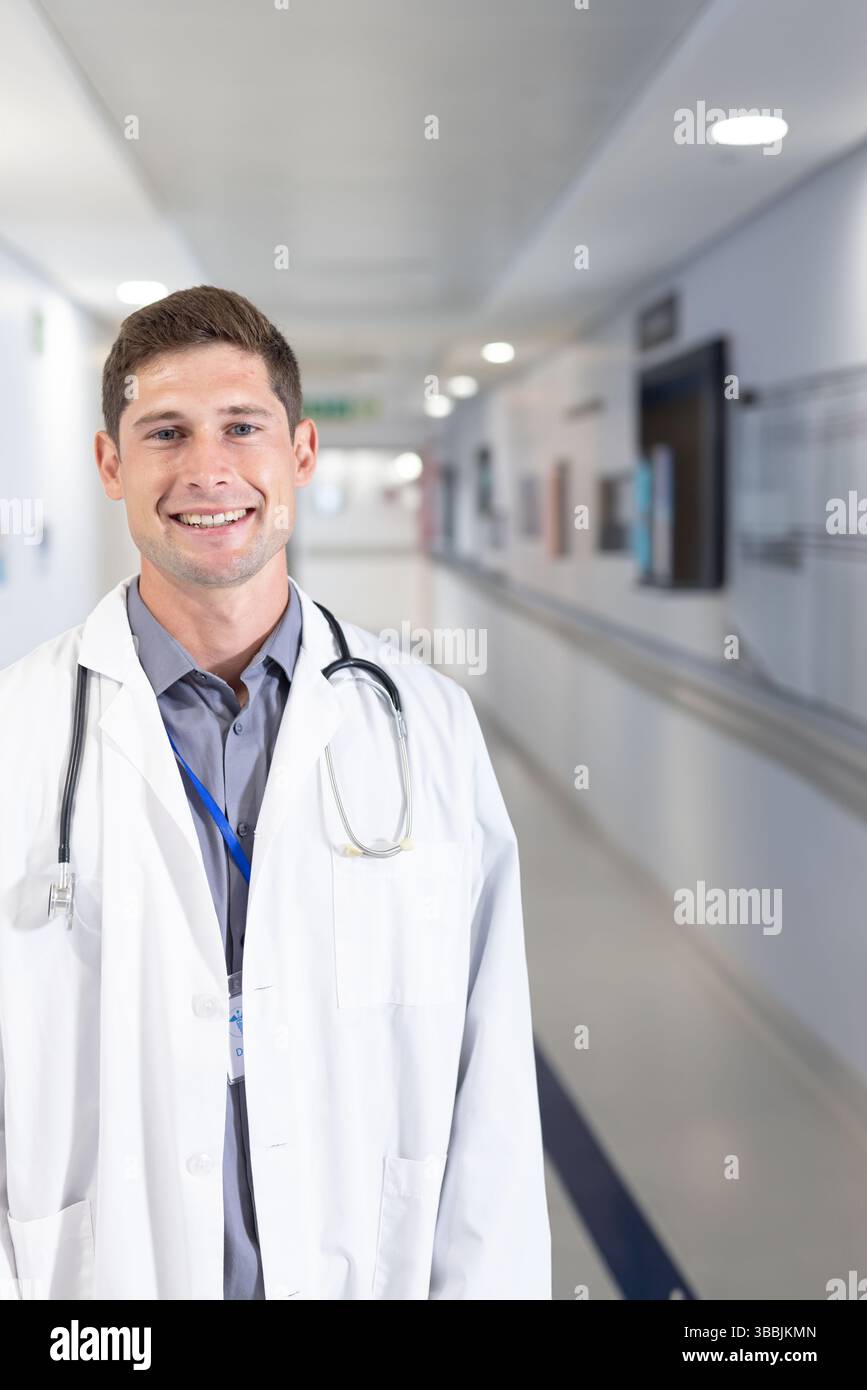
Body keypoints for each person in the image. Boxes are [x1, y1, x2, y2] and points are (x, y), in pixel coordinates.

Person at [0, 285, 551, 1300]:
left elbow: (494, 1097)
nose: (207, 469)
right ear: (111, 463)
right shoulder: (19, 735)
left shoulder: (423, 726)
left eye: (241, 428)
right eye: (165, 431)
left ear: (299, 453)